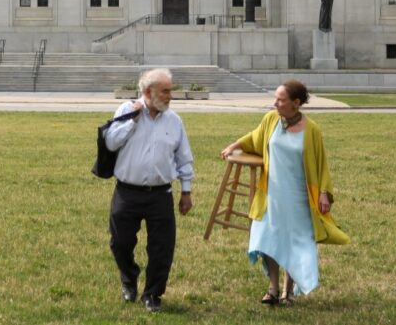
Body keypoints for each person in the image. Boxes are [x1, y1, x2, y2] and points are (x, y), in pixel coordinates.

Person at [219, 79, 349, 305]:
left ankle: (287, 292)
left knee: (292, 242)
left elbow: (321, 164)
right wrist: (234, 145)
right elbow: (254, 138)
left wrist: (324, 193)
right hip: (270, 194)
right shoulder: (271, 120)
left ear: (296, 103)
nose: (275, 103)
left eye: (281, 100)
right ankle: (272, 288)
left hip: (299, 198)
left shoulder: (312, 131)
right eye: (275, 98)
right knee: (267, 238)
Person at [105, 68, 194, 313]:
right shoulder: (126, 110)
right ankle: (129, 277)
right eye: (165, 91)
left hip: (160, 194)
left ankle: (153, 294)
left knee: (162, 248)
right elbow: (111, 142)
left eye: (170, 90)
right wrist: (131, 122)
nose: (170, 96)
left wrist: (186, 192)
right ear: (147, 92)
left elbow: (183, 158)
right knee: (120, 243)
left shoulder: (174, 120)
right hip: (127, 192)